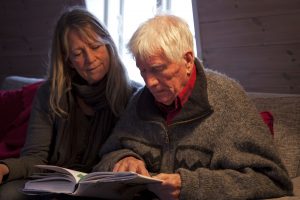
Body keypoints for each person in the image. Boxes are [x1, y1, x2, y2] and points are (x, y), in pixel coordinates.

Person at [93, 14, 293, 199]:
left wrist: (189, 185)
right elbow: (106, 155)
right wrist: (124, 158)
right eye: (142, 71)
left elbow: (273, 180)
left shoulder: (227, 99)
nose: (149, 82)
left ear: (188, 61)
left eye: (158, 69)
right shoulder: (140, 100)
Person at [0, 7, 139, 199]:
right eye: (78, 53)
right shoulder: (49, 94)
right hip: (54, 183)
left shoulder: (133, 95)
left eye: (96, 46)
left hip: (103, 186)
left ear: (109, 46)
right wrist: (4, 167)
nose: (90, 59)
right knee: (8, 193)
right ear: (68, 60)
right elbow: (34, 157)